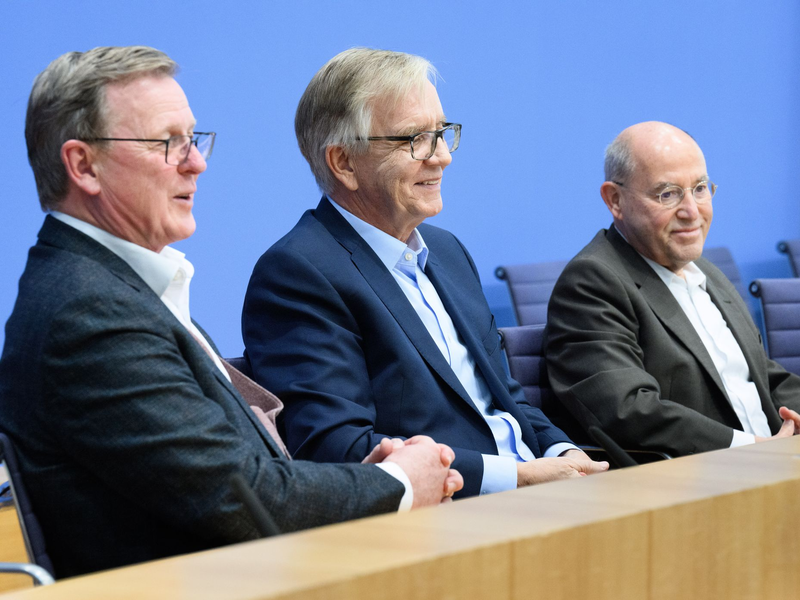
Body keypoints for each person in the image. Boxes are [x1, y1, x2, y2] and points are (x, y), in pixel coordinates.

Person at [0, 46, 462, 579]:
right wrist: (401, 481)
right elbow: (246, 500)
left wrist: (362, 481)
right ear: (84, 165)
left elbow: (238, 480)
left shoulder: (121, 289)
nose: (195, 162)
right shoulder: (88, 315)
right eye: (167, 143)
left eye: (193, 140)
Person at [242, 48, 607, 499]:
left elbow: (505, 401)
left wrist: (562, 454)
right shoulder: (298, 273)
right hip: (443, 519)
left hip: (536, 495)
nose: (441, 157)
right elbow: (337, 448)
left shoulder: (448, 251)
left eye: (441, 133)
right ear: (344, 163)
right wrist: (519, 477)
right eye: (414, 139)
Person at [545, 121, 800, 457]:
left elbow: (762, 376)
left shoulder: (704, 271)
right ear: (615, 199)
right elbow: (630, 410)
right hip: (699, 481)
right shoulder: (592, 282)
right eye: (668, 194)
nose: (691, 211)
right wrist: (753, 449)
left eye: (700, 188)